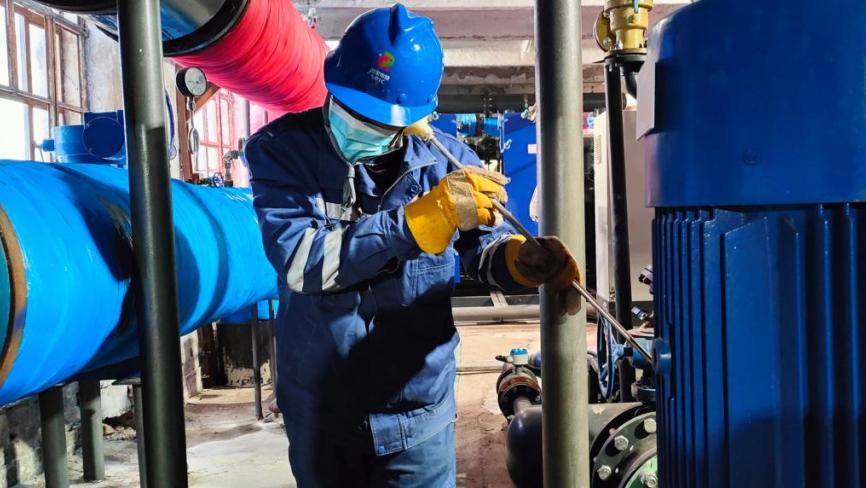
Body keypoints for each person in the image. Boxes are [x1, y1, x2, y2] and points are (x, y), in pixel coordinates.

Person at [244, 4, 581, 487]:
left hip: (418, 415)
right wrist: (418, 221)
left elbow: (482, 252)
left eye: (379, 120)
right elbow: (304, 263)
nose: (363, 124)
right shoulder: (281, 151)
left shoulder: (448, 161)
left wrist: (517, 260)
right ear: (333, 87)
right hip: (324, 412)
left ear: (414, 119)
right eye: (354, 110)